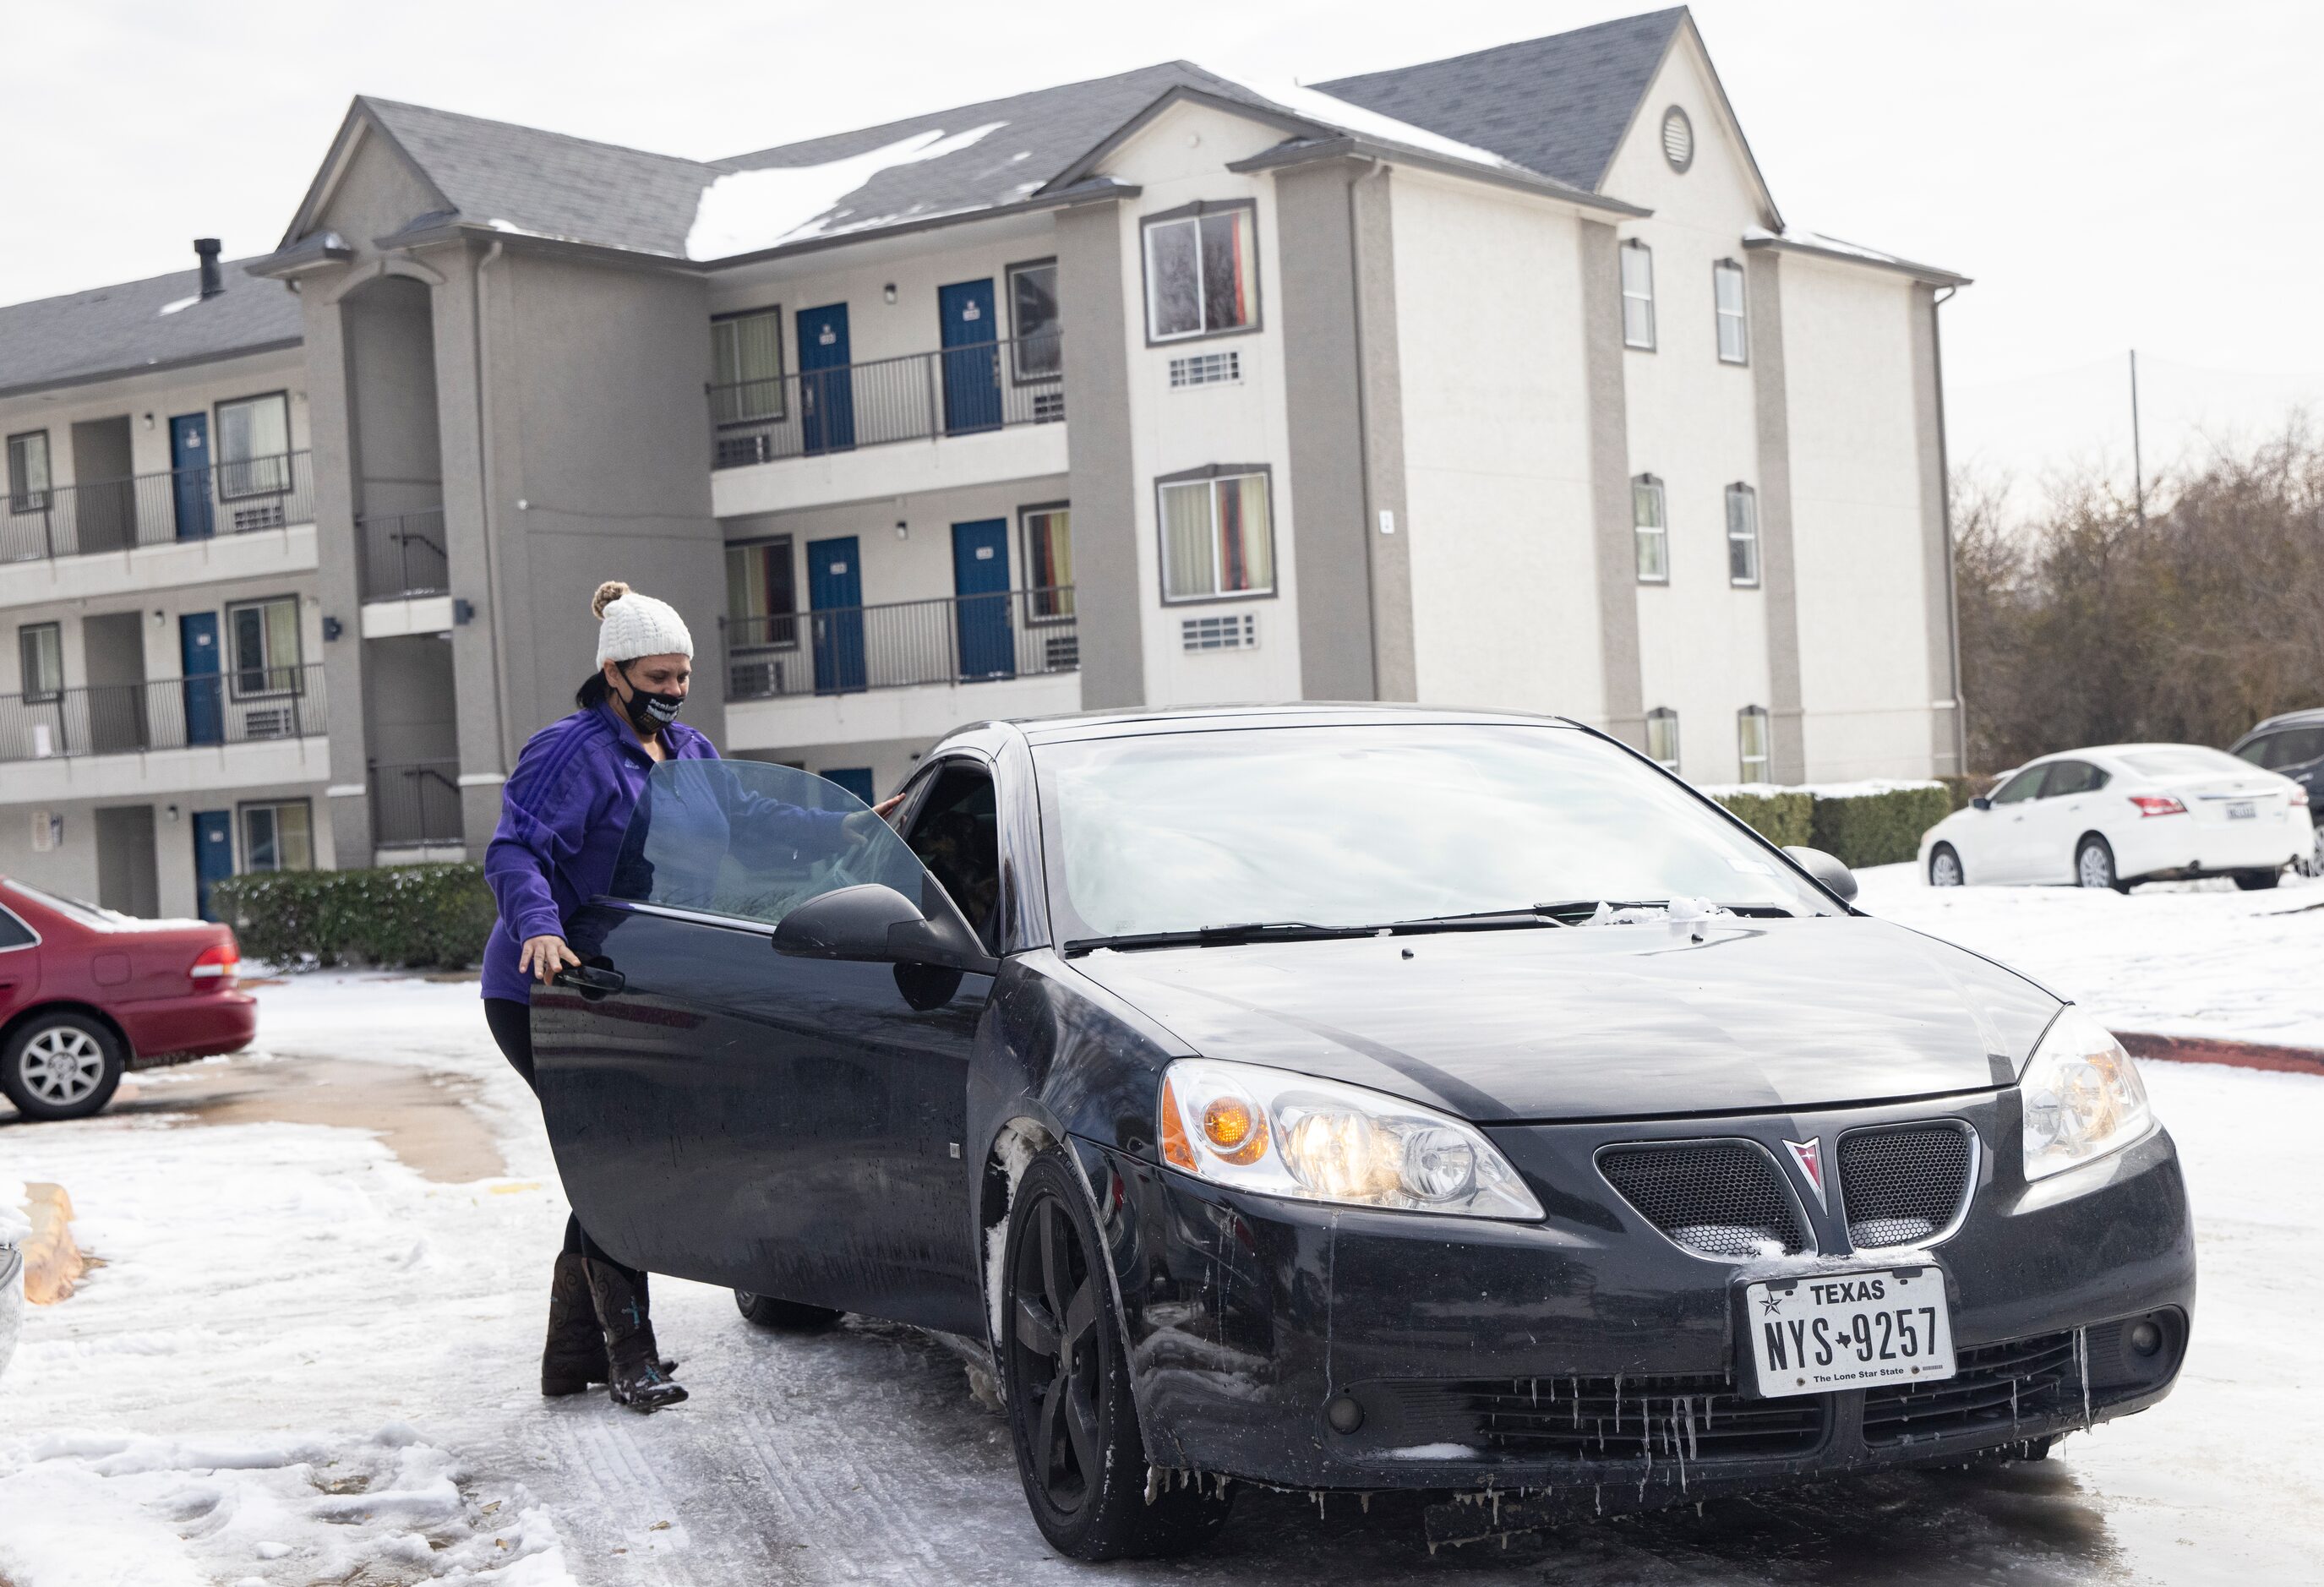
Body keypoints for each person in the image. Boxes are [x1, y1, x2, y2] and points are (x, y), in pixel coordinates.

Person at [482, 579, 895, 1412]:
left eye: (681, 677)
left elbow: (746, 818)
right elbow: (514, 850)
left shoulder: (694, 753)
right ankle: (629, 1357)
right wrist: (536, 925)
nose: (671, 692)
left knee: (618, 1157)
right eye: (657, 678)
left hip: (630, 976)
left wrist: (847, 827)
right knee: (621, 1158)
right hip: (547, 985)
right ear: (614, 674)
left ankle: (572, 1361)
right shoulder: (570, 752)